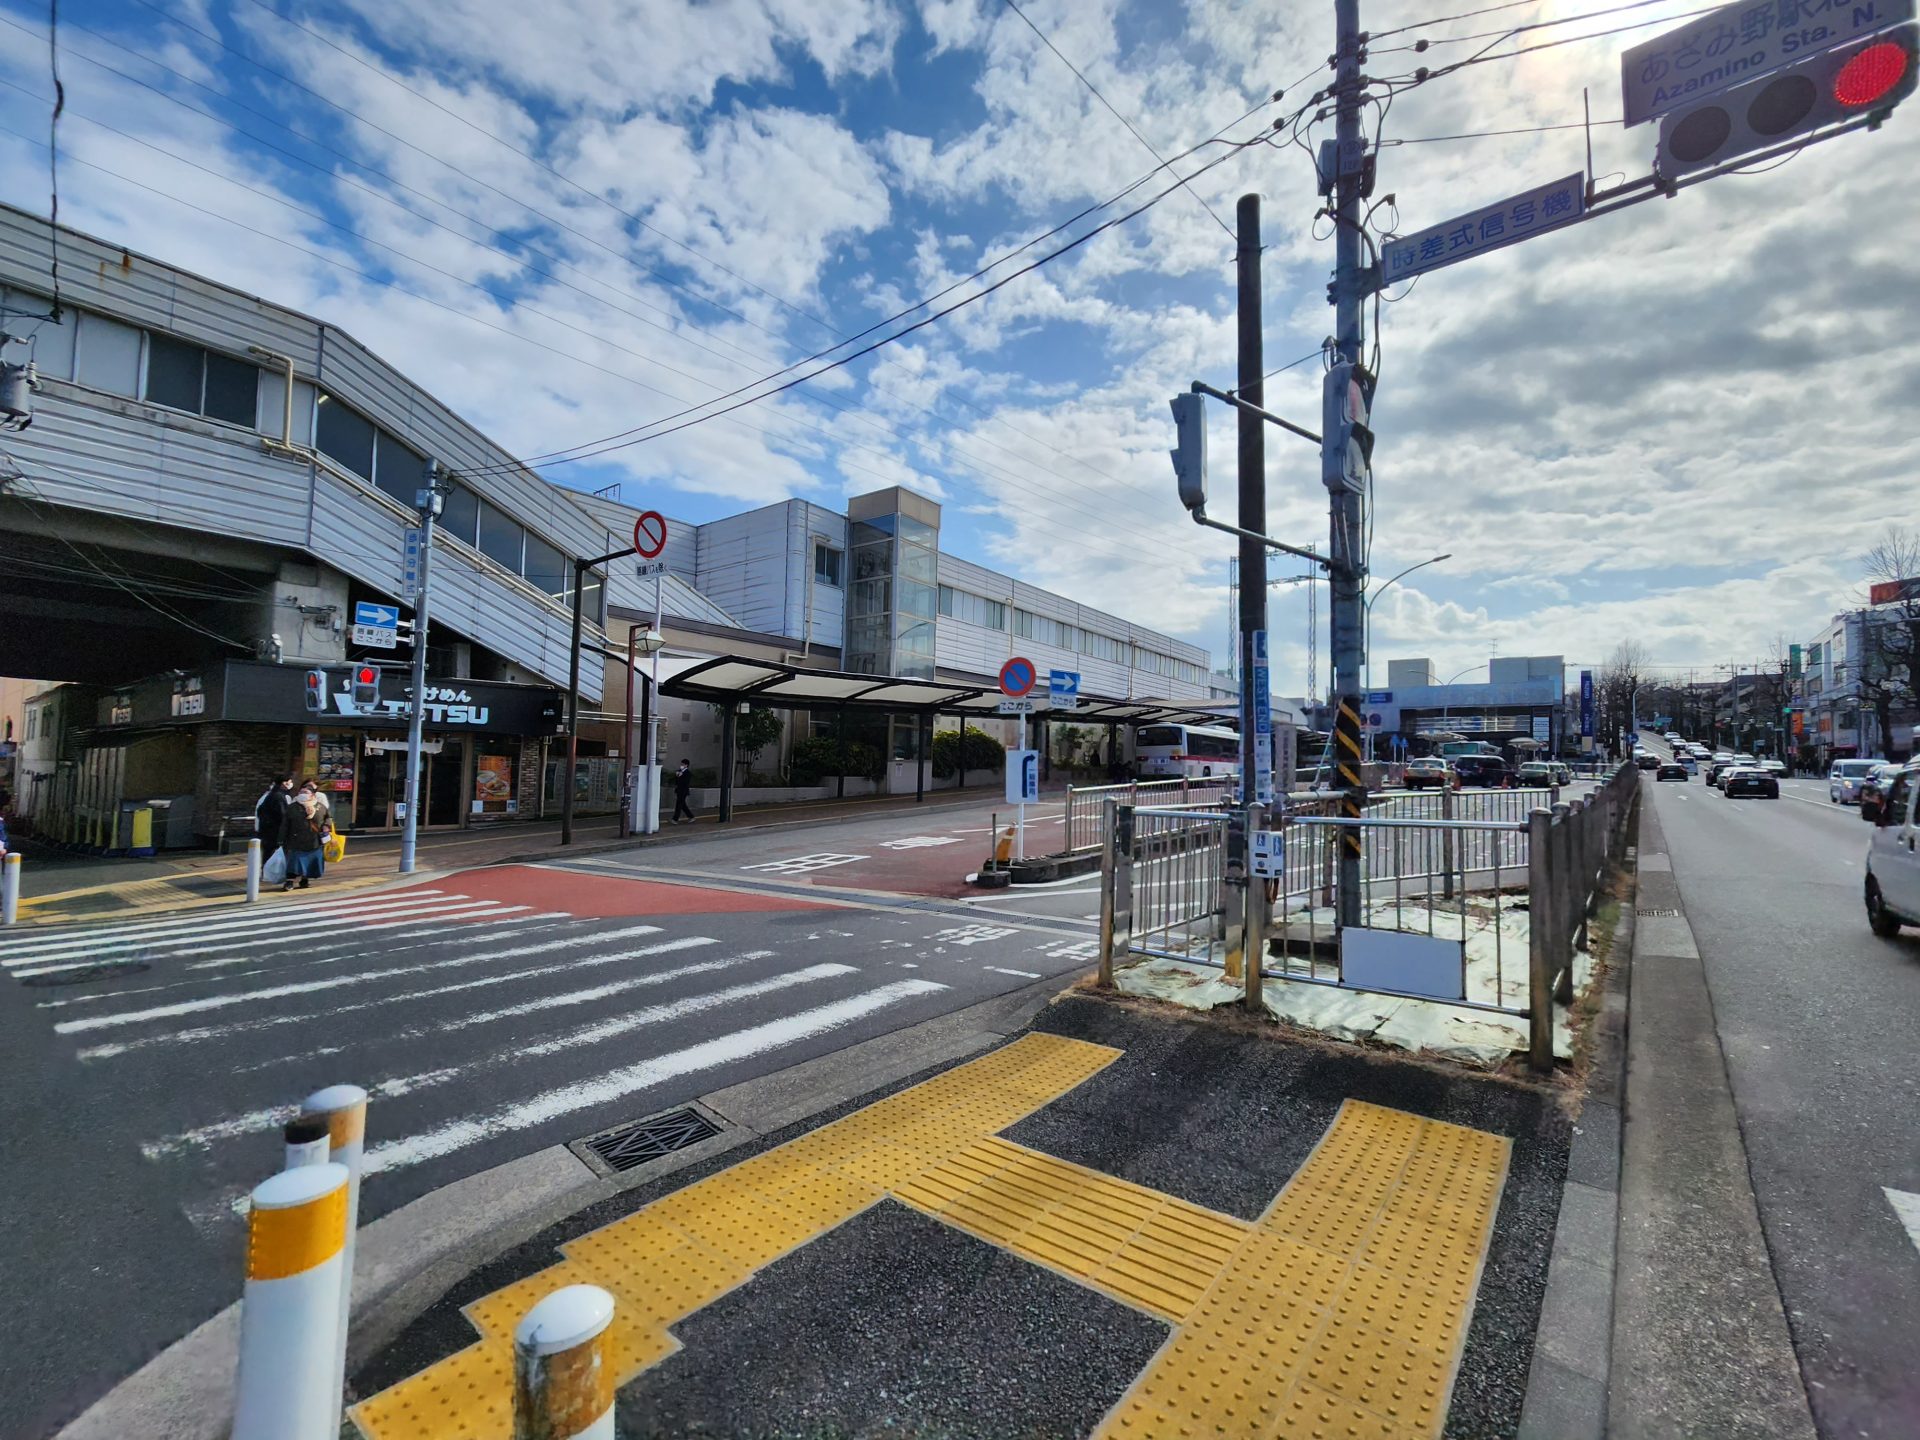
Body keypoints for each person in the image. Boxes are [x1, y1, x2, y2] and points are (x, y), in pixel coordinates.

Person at [279, 789, 326, 891]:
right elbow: (285, 824)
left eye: (305, 793)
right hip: (295, 840)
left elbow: (328, 818)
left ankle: (305, 880)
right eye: (300, 792)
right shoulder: (292, 807)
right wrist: (281, 838)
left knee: (310, 862)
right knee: (294, 862)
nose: (302, 795)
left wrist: (327, 826)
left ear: (312, 795)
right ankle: (289, 881)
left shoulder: (320, 807)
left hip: (314, 841)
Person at [255, 774, 292, 843]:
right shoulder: (279, 796)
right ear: (284, 783)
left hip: (266, 831)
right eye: (290, 782)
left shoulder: (272, 794)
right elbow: (282, 814)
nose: (291, 784)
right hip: (274, 832)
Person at [671, 759, 695, 824]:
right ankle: (691, 816)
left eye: (683, 764)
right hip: (679, 790)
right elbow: (676, 782)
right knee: (682, 805)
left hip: (683, 791)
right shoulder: (679, 771)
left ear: (686, 765)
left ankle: (675, 819)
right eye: (681, 764)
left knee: (679, 805)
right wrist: (677, 776)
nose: (681, 765)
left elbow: (685, 783)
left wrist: (681, 776)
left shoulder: (688, 773)